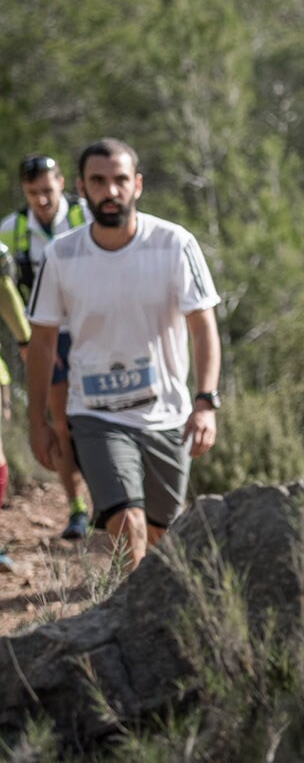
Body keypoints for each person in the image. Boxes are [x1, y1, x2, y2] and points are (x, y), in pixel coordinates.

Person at [25, 140, 222, 573]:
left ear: (137, 185)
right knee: (127, 523)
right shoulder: (62, 255)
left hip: (166, 416)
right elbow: (41, 342)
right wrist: (37, 420)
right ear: (81, 187)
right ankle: (137, 627)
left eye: (119, 180)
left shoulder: (173, 244)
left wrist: (205, 401)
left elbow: (203, 325)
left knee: (161, 540)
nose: (109, 191)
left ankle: (150, 617)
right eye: (98, 181)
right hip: (96, 415)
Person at [1, 154, 94, 543]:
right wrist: (28, 341)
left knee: (99, 418)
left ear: (63, 184)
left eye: (48, 190)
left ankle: (111, 497)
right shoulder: (13, 230)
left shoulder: (87, 216)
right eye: (33, 192)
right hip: (47, 336)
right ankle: (77, 508)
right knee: (61, 423)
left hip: (95, 332)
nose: (42, 199)